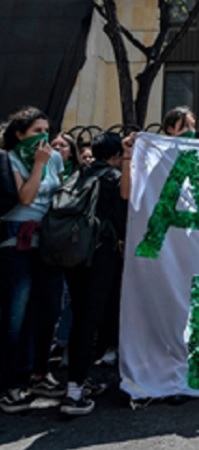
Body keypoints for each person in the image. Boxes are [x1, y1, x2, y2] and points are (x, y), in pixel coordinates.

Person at [0, 107, 66, 414]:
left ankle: (40, 373)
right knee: (17, 316)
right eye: (36, 130)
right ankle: (11, 382)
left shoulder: (54, 157)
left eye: (47, 130)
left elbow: (61, 194)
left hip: (48, 243)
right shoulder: (10, 158)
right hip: (18, 243)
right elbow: (25, 197)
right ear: (19, 134)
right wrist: (38, 165)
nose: (44, 136)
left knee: (48, 310)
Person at [60, 132, 130, 415]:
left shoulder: (79, 175)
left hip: (73, 255)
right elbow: (125, 203)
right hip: (100, 256)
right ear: (114, 156)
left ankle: (80, 380)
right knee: (91, 321)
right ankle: (74, 391)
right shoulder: (112, 177)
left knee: (81, 318)